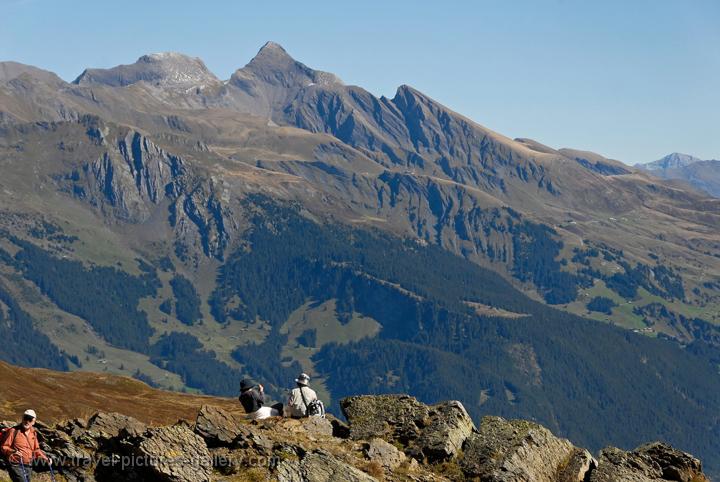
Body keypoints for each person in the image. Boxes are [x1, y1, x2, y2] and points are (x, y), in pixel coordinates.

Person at [1, 409, 51, 482]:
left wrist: (46, 458)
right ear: (22, 418)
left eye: (30, 419)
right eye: (25, 418)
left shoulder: (33, 433)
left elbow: (36, 449)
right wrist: (12, 451)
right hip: (15, 465)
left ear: (33, 422)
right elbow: (4, 447)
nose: (27, 421)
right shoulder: (13, 431)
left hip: (28, 466)